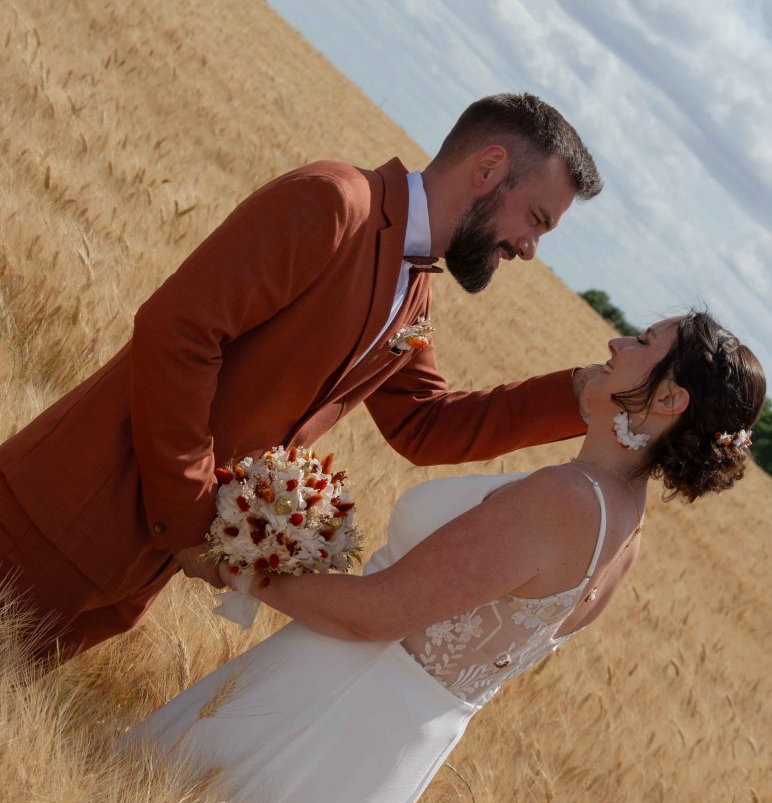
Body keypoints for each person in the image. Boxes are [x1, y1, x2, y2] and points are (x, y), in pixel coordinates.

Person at [129, 310, 766, 803]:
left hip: (323, 708)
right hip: (379, 755)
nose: (614, 342)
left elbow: (374, 617)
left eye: (643, 342)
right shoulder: (624, 527)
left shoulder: (568, 500)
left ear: (669, 400)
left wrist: (233, 565)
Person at [0, 93, 602, 666]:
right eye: (537, 219)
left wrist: (585, 397)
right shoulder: (335, 203)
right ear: (490, 167)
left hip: (140, 571)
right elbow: (178, 332)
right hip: (57, 522)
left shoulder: (415, 295)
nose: (529, 249)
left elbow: (425, 424)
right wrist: (188, 514)